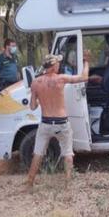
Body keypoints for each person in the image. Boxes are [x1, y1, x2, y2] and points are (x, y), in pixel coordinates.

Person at [24, 51, 90, 189]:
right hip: (61, 123)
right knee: (67, 153)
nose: (59, 65)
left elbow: (32, 106)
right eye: (58, 63)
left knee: (38, 153)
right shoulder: (61, 78)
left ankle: (30, 182)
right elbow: (84, 77)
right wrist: (86, 61)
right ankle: (68, 184)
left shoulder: (36, 82)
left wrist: (38, 97)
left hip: (46, 122)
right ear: (53, 66)